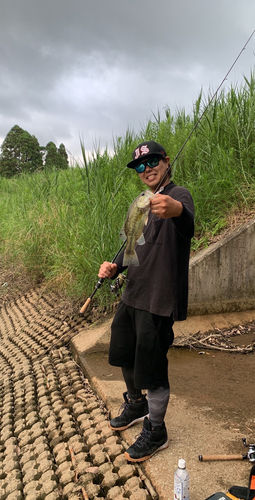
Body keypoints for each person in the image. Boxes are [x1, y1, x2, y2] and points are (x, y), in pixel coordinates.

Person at [98, 140, 195, 462]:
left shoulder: (177, 197)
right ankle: (136, 403)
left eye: (152, 161)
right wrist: (113, 267)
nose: (146, 169)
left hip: (159, 298)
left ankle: (156, 430)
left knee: (152, 369)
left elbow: (187, 222)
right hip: (134, 293)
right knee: (124, 354)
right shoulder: (141, 205)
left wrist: (176, 210)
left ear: (166, 162)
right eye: (140, 166)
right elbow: (131, 246)